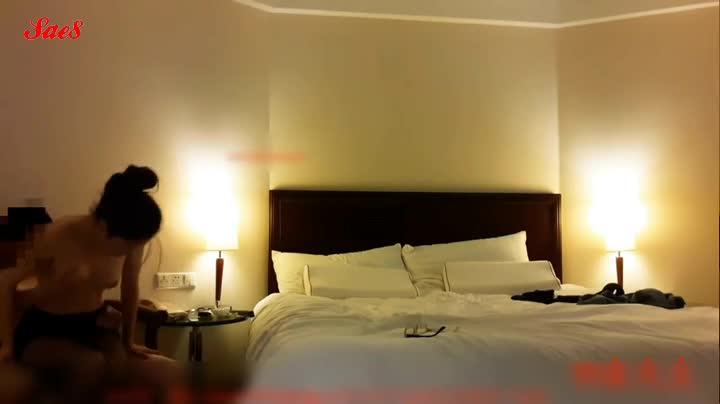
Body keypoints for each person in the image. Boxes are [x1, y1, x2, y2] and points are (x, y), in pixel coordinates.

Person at [0, 165, 182, 401]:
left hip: (94, 325)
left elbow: (130, 287)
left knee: (151, 369)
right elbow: (7, 285)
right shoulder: (57, 237)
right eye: (128, 245)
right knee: (90, 365)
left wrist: (128, 340)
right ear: (104, 227)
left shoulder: (131, 239)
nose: (133, 251)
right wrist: (7, 344)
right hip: (45, 329)